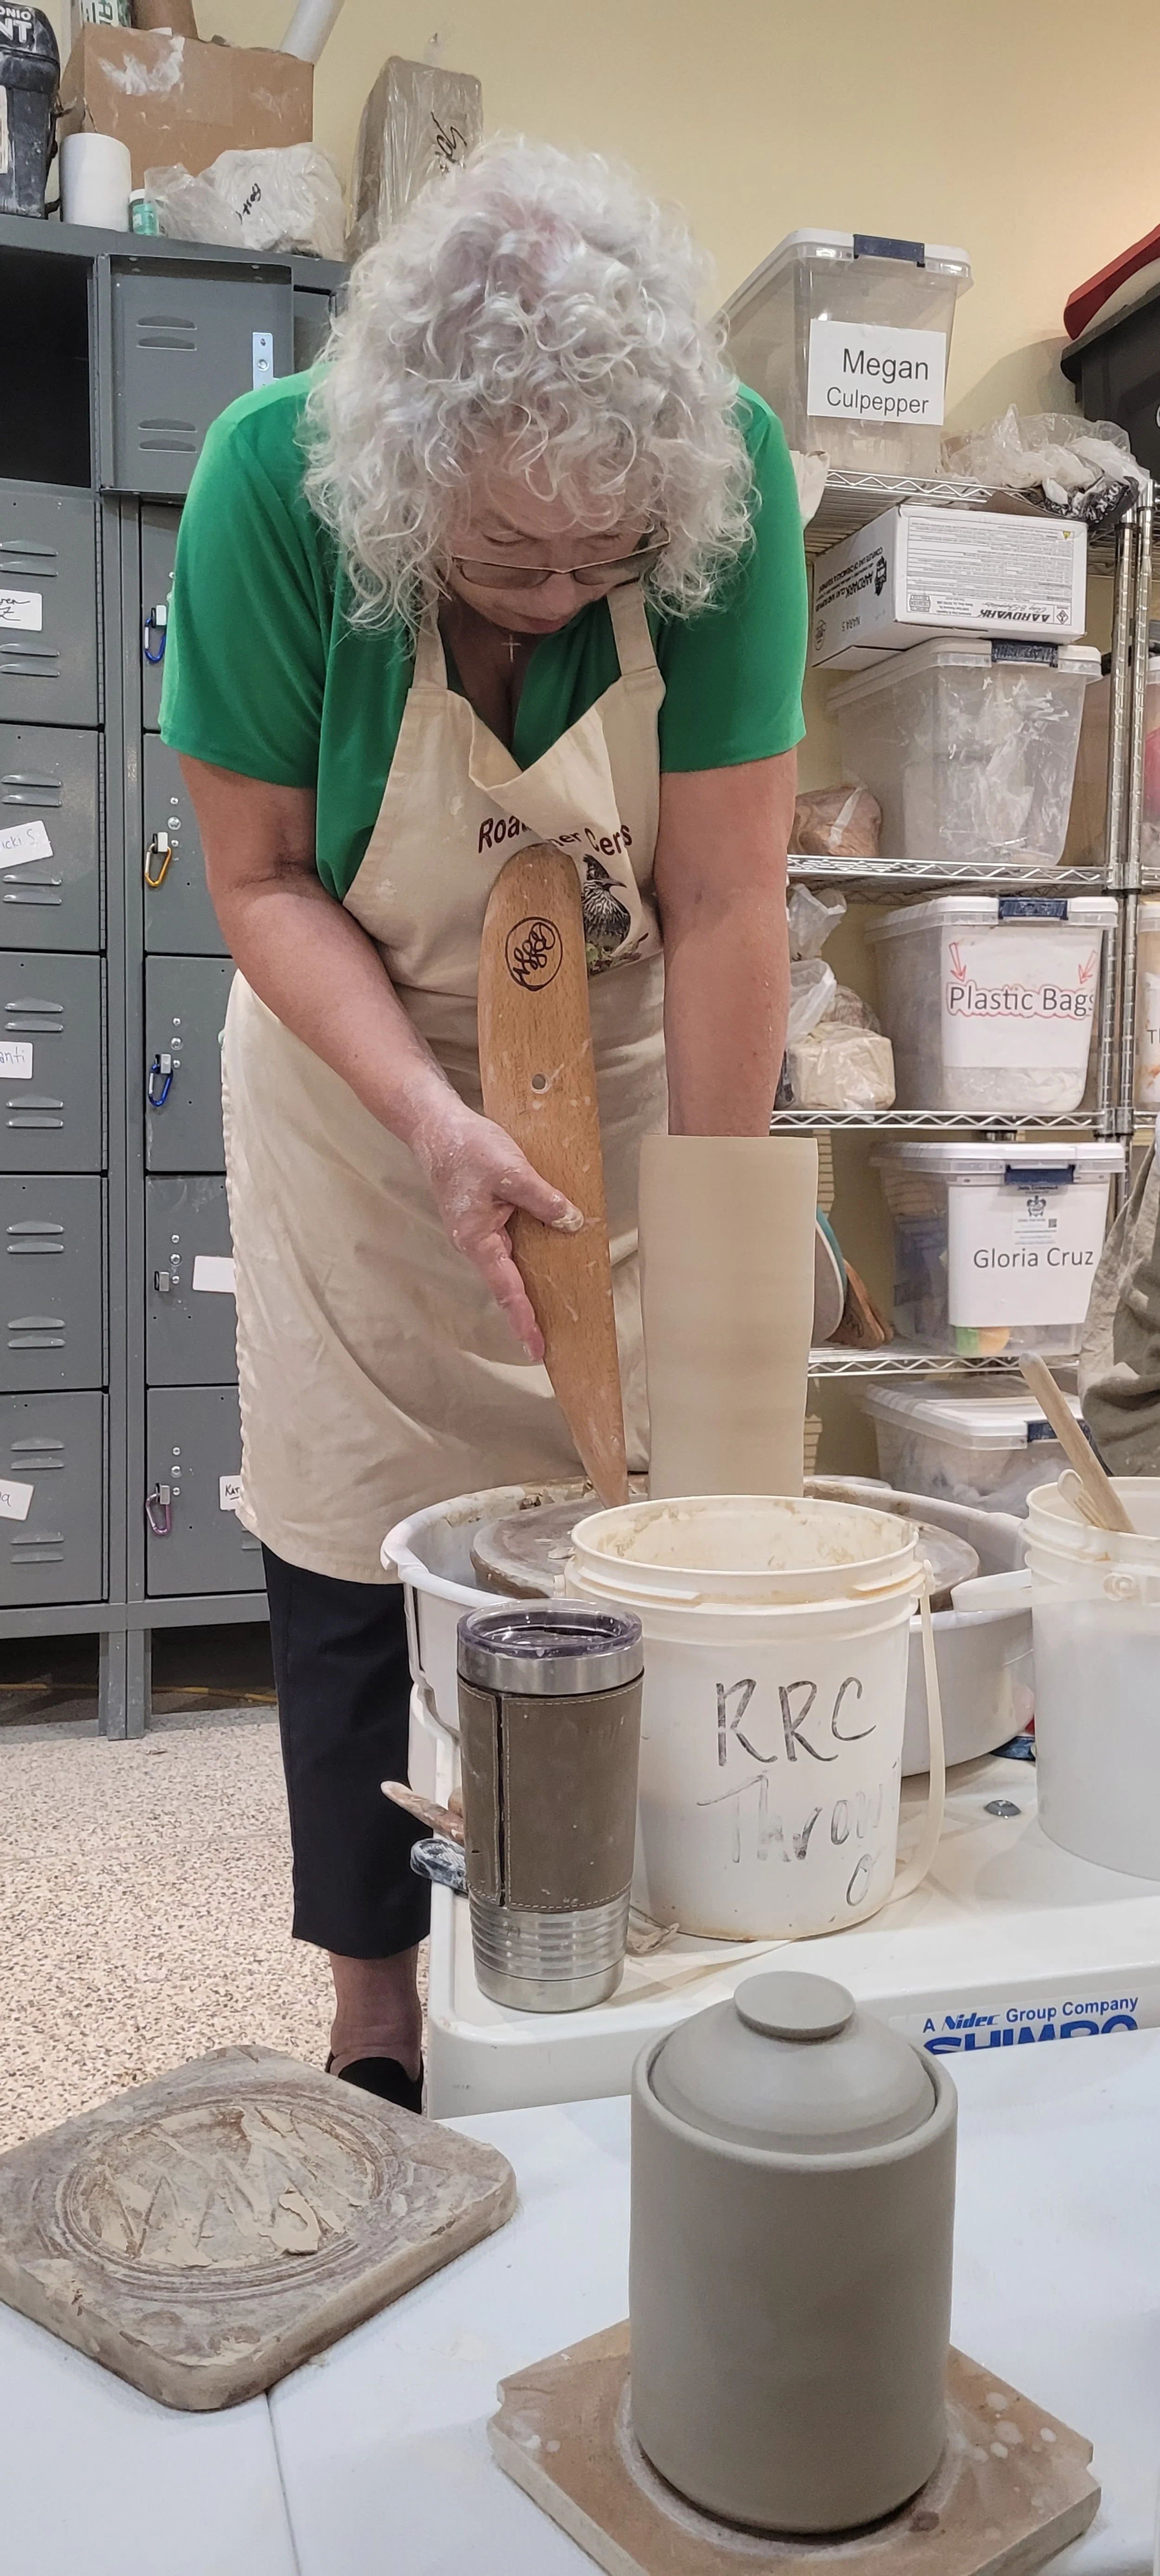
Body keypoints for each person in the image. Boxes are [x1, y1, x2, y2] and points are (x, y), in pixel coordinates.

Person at [161, 137, 808, 2105]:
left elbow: (719, 901)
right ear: (404, 487)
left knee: (647, 1506)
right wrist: (432, 1122)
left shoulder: (734, 476)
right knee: (355, 1527)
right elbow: (260, 878)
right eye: (507, 558)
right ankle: (376, 2016)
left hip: (611, 1020)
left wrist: (713, 1246)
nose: (556, 603)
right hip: (361, 1060)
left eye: (605, 568)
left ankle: (618, 1961)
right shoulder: (271, 485)